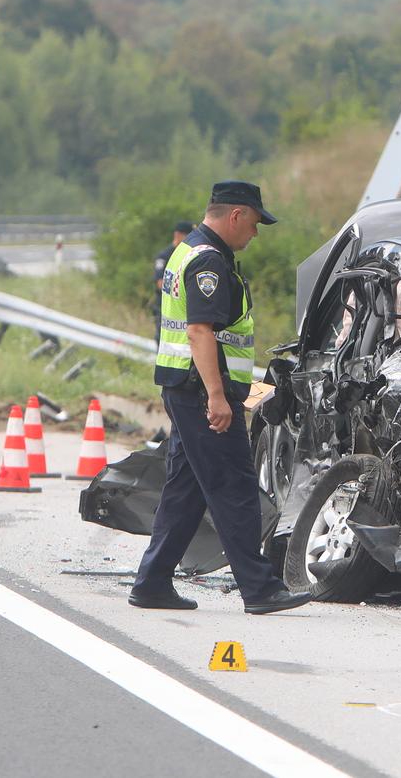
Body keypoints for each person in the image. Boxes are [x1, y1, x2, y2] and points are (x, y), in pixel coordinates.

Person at [131, 182, 311, 615]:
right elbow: (199, 331)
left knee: (186, 490)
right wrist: (217, 397)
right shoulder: (209, 261)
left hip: (185, 387)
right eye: (254, 223)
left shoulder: (189, 250)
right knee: (234, 486)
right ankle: (260, 588)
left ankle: (152, 583)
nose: (256, 233)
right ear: (235, 215)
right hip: (202, 393)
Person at [153, 220, 194, 343]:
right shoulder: (165, 256)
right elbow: (160, 283)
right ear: (178, 235)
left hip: (183, 311)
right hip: (165, 309)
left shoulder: (189, 254)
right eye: (188, 235)